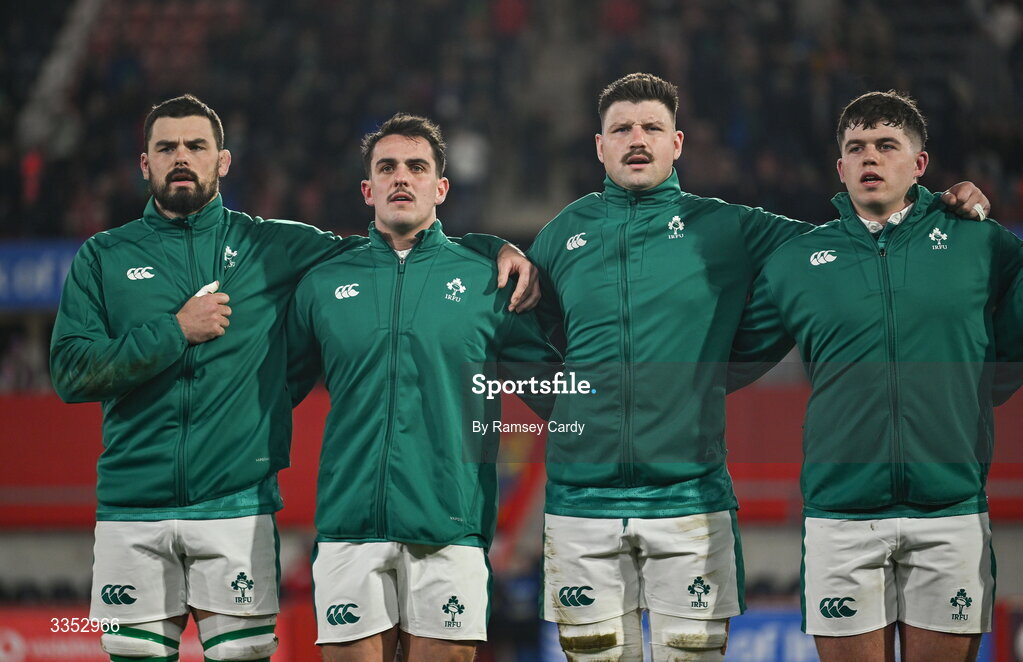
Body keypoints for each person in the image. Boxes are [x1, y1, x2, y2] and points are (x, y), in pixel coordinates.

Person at [48, 95, 539, 662]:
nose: (181, 157)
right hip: (132, 505)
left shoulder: (273, 245)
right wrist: (174, 331)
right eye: (166, 147)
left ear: (223, 160)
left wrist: (490, 247)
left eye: (196, 146)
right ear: (144, 162)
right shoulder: (103, 257)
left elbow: (390, 250)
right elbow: (69, 371)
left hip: (237, 508)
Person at [525, 73, 990, 662]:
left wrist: (938, 208)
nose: (636, 139)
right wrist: (566, 401)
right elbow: (514, 327)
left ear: (678, 143)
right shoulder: (563, 232)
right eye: (621, 128)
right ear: (600, 146)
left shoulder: (729, 226)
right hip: (580, 500)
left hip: (690, 497)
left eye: (652, 128)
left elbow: (852, 246)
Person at [728, 90, 1023, 662]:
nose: (870, 158)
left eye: (887, 145)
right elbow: (729, 354)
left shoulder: (980, 243)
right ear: (839, 167)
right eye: (856, 147)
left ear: (919, 164)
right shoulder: (797, 261)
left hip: (951, 508)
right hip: (842, 514)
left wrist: (980, 392)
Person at [284, 113, 560, 662]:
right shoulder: (322, 283)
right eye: (386, 168)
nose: (401, 178)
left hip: (451, 525)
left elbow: (555, 392)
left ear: (441, 187)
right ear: (368, 189)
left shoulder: (490, 281)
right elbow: (271, 392)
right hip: (348, 526)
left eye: (416, 166)